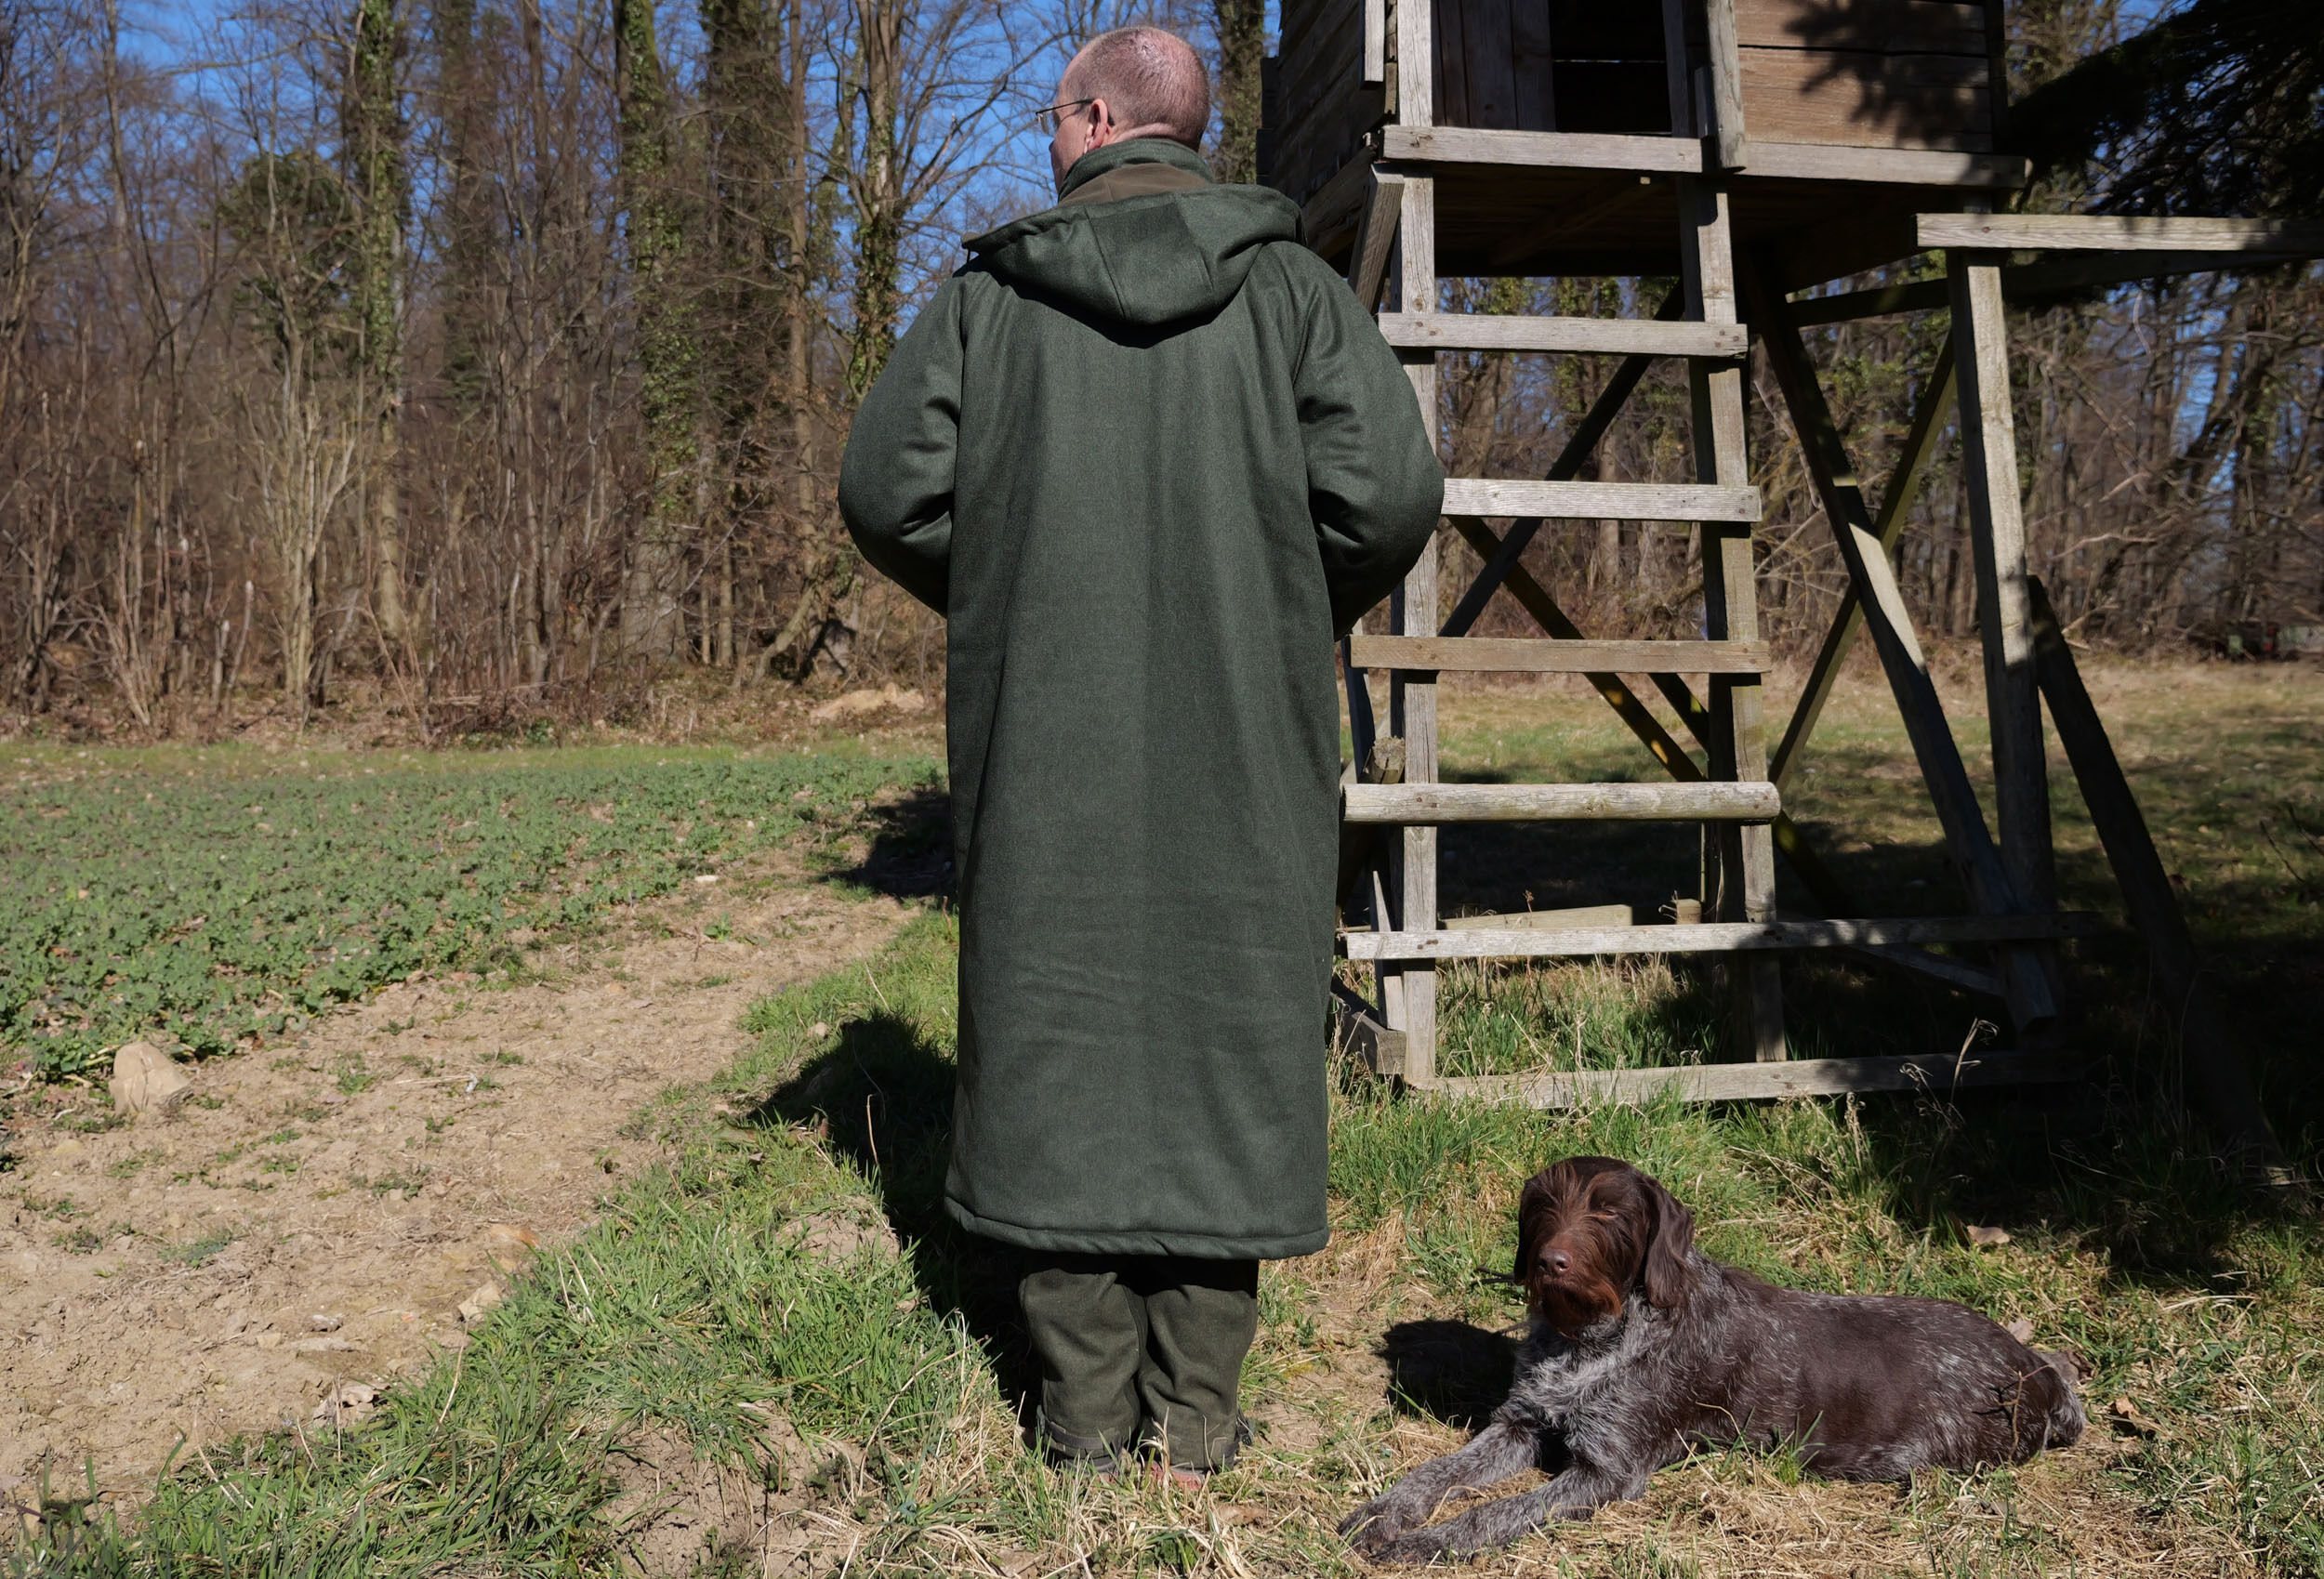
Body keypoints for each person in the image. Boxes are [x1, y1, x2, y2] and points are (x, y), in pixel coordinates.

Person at [838, 25, 1442, 1485]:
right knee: (1227, 1020)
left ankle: (1084, 1420)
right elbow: (1389, 496)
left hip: (1045, 727)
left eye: (1054, 115)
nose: (1047, 139)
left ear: (1099, 120)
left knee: (1055, 1021)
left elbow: (886, 494)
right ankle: (1198, 1419)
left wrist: (1013, 589)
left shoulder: (987, 302)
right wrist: (1279, 599)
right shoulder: (1295, 294)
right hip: (1248, 724)